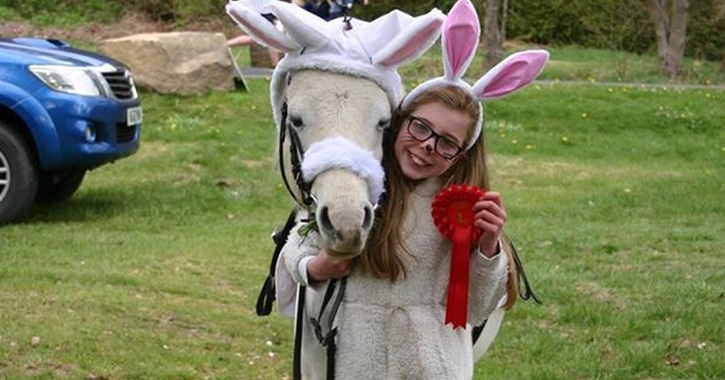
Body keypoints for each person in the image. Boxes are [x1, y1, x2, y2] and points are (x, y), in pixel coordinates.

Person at [278, 0, 548, 378]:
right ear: (399, 121)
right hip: (359, 361)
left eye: (446, 143)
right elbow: (297, 244)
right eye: (421, 127)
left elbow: (476, 309)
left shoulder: (463, 210)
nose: (427, 146)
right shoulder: (362, 189)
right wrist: (316, 266)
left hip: (433, 365)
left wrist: (488, 249)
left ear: (460, 154)